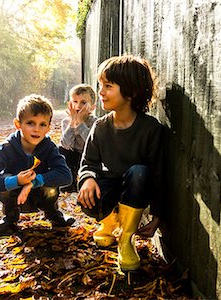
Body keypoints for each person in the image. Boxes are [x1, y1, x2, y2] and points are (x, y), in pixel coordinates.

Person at [77, 55, 164, 271]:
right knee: (92, 190)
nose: (101, 92)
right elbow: (88, 162)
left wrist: (158, 216)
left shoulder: (151, 129)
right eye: (100, 85)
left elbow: (159, 176)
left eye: (108, 86)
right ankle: (108, 223)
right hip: (112, 184)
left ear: (131, 92)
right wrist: (87, 178)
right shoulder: (100, 127)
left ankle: (126, 239)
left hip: (136, 190)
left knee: (140, 172)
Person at [0, 94, 75, 237]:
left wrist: (35, 181)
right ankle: (10, 220)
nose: (36, 129)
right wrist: (16, 181)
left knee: (52, 178)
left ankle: (54, 214)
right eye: (30, 123)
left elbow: (66, 176)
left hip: (42, 195)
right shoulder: (6, 148)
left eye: (42, 124)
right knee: (4, 177)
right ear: (18, 124)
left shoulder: (49, 148)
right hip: (15, 197)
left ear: (48, 128)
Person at [59, 84, 97, 192]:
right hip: (73, 156)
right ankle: (69, 182)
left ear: (93, 107)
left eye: (83, 102)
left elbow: (91, 143)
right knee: (60, 150)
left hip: (89, 157)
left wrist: (80, 123)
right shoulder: (66, 122)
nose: (78, 106)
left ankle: (85, 181)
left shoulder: (95, 122)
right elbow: (65, 144)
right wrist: (72, 124)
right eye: (75, 102)